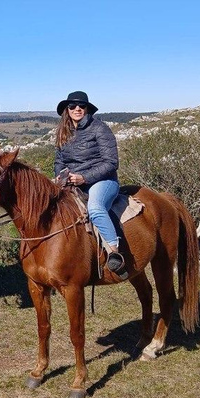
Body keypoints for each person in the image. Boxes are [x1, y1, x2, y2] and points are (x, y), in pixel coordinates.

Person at [54, 91, 128, 280]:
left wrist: (84, 178)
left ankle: (114, 252)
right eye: (72, 106)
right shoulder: (64, 132)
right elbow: (59, 161)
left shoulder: (99, 128)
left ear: (87, 109)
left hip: (103, 181)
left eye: (81, 106)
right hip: (73, 182)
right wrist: (60, 177)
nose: (77, 109)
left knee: (95, 208)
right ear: (67, 110)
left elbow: (111, 162)